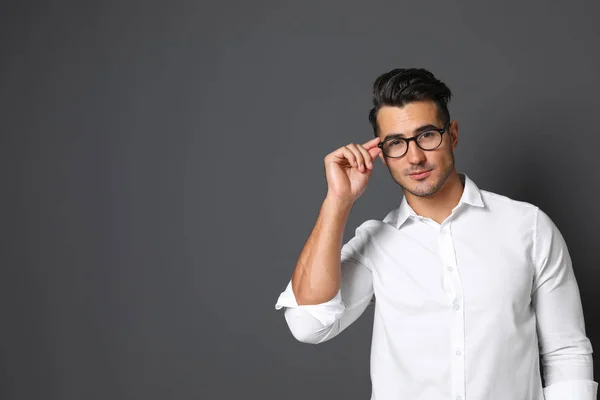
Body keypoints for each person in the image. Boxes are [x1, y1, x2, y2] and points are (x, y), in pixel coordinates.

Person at [274, 68, 596, 400]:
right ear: (382, 154)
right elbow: (307, 325)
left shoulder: (528, 227)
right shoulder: (376, 244)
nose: (415, 157)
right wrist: (338, 201)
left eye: (427, 135)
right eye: (397, 143)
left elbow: (566, 351)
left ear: (452, 134)